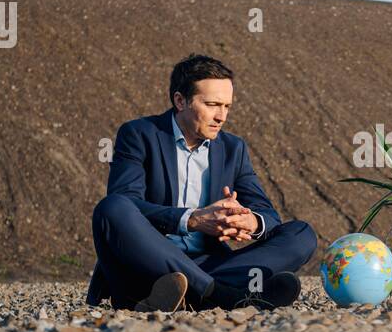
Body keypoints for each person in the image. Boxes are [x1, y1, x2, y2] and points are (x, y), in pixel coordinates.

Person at [86, 54, 316, 312]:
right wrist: (193, 219)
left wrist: (250, 221)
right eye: (212, 104)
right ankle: (225, 295)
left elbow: (269, 215)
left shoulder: (233, 149)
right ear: (180, 100)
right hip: (148, 266)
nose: (222, 116)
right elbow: (127, 204)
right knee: (112, 207)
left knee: (301, 234)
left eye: (227, 106)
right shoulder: (139, 135)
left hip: (210, 264)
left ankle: (194, 292)